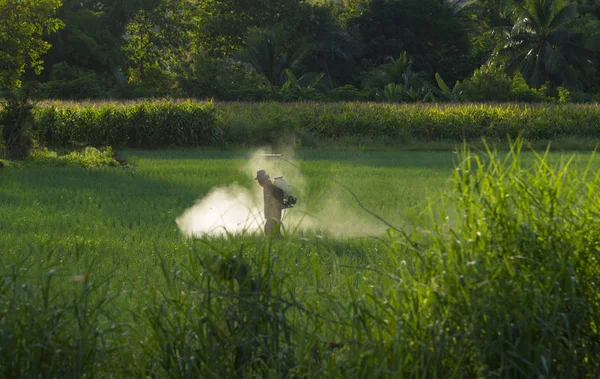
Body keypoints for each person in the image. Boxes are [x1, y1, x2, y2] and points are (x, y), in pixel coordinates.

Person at [254, 169, 284, 237]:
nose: (259, 182)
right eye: (258, 180)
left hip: (274, 214)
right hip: (271, 215)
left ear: (265, 179)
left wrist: (275, 204)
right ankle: (281, 244)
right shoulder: (266, 186)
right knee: (272, 232)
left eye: (260, 180)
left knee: (271, 232)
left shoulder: (269, 186)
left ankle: (281, 244)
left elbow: (280, 192)